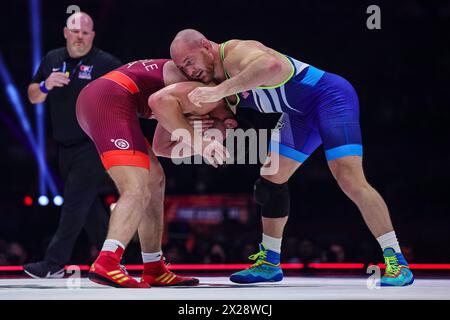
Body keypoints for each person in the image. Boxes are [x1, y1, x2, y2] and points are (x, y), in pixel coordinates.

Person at [168, 29, 414, 287]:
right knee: (270, 180)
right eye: (182, 68)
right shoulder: (211, 81)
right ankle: (270, 262)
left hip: (330, 98)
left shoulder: (235, 53)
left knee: (349, 178)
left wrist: (220, 90)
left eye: (189, 61)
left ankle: (395, 259)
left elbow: (272, 65)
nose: (189, 71)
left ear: (206, 46)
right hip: (297, 115)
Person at [76, 57, 234, 288]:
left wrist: (198, 144)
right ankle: (107, 261)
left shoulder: (192, 101)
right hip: (107, 99)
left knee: (155, 180)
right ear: (230, 123)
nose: (214, 139)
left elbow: (161, 147)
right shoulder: (206, 95)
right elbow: (156, 100)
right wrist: (201, 143)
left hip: (105, 98)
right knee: (136, 187)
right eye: (220, 139)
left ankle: (154, 267)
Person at [25, 12, 122, 278]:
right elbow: (33, 96)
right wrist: (45, 85)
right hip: (63, 148)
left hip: (92, 145)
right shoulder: (52, 59)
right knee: (88, 209)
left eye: (85, 32)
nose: (80, 37)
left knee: (73, 204)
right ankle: (113, 259)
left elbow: (128, 94)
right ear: (66, 32)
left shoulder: (106, 63)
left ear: (92, 35)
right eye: (75, 31)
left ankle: (53, 263)